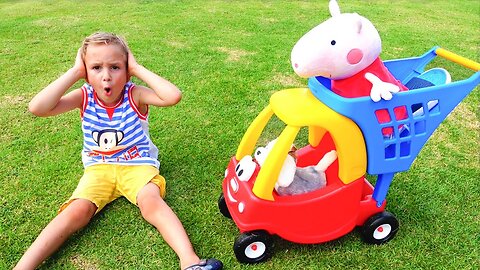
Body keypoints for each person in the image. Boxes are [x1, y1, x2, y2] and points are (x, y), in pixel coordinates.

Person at [15, 32, 223, 270]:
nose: (106, 77)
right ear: (85, 72)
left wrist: (136, 67)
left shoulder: (134, 94)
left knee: (151, 202)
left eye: (115, 67)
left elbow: (173, 96)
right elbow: (37, 107)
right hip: (98, 168)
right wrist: (74, 72)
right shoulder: (84, 96)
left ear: (126, 70)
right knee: (77, 210)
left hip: (137, 165)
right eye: (95, 67)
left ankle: (190, 261)